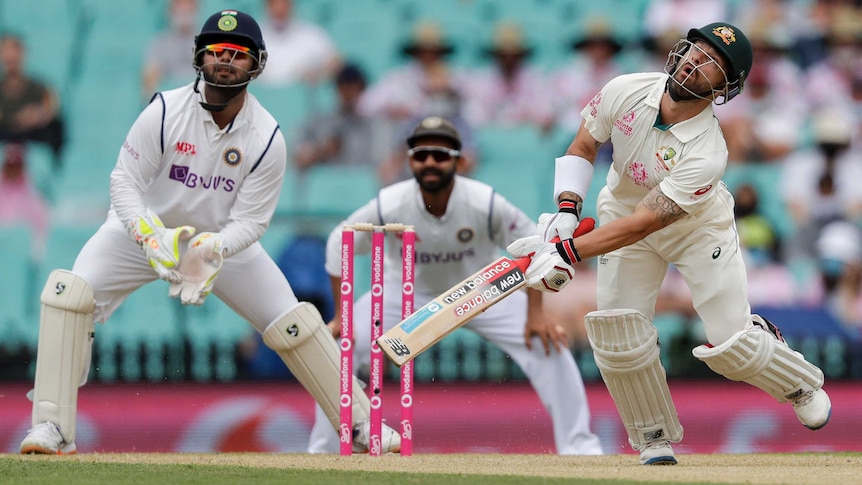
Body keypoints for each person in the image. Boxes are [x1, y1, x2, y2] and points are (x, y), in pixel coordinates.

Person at [18, 9, 399, 455]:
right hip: (142, 234)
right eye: (217, 51)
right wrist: (148, 235)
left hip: (220, 244)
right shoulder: (163, 110)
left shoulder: (267, 137)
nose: (226, 60)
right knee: (68, 295)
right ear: (199, 57)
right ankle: (51, 428)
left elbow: (253, 222)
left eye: (238, 54)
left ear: (257, 64)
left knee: (295, 322)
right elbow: (124, 182)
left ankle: (360, 425)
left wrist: (213, 248)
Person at [506, 22, 832, 465]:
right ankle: (653, 436)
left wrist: (567, 253)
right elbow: (583, 144)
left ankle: (800, 383)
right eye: (695, 50)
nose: (697, 61)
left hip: (697, 232)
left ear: (725, 88)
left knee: (731, 346)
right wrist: (566, 212)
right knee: (618, 332)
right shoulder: (626, 89)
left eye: (713, 64)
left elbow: (645, 224)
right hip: (621, 214)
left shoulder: (708, 151)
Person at [306, 115, 604, 455]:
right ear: (410, 161)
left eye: (440, 154)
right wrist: (343, 316)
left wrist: (536, 314)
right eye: (422, 155)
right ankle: (325, 450)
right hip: (401, 291)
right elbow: (337, 242)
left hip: (483, 290)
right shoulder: (392, 201)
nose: (430, 162)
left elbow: (534, 246)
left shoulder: (483, 200)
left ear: (458, 161)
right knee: (344, 349)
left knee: (549, 345)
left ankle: (580, 446)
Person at [292, 62, 394, 172]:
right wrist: (321, 151)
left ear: (362, 89)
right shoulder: (318, 123)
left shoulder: (376, 126)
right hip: (324, 184)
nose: (348, 93)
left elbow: (384, 166)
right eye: (343, 87)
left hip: (363, 184)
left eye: (353, 87)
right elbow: (299, 158)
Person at [0, 33, 64, 159]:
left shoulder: (41, 88)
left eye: (15, 49)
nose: (10, 55)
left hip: (33, 152)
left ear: (24, 53)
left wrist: (39, 116)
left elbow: (52, 110)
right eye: (5, 49)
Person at [256, 0, 342, 87]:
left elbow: (336, 64)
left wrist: (318, 73)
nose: (279, 8)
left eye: (284, 3)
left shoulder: (312, 34)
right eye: (274, 3)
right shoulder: (253, 36)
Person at [141, 0, 200, 100]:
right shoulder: (160, 43)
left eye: (188, 9)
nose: (184, 13)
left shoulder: (207, 41)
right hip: (171, 103)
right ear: (171, 11)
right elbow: (148, 82)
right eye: (180, 8)